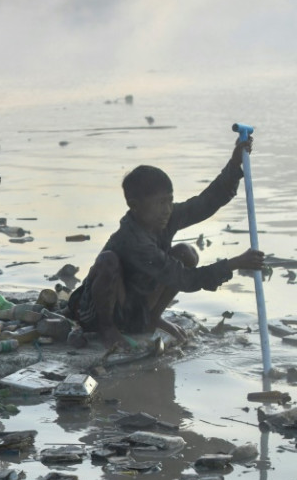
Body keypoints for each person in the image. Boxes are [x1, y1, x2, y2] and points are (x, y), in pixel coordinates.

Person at [66, 136, 265, 348]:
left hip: (134, 305)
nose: (167, 209)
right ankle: (107, 330)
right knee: (108, 261)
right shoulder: (133, 241)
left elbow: (205, 203)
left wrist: (235, 164)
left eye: (170, 200)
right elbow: (184, 279)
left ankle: (152, 318)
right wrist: (233, 263)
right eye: (160, 203)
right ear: (134, 206)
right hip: (96, 313)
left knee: (186, 253)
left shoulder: (165, 217)